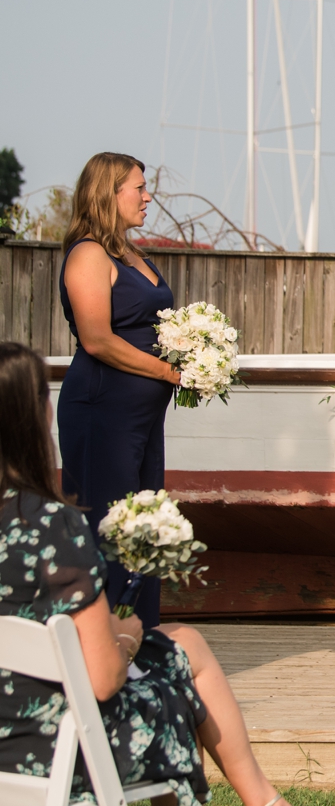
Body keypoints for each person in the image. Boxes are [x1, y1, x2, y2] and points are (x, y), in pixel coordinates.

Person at [0, 342, 284, 806]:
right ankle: (263, 800)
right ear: (28, 417)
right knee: (173, 683)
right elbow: (102, 680)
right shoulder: (50, 525)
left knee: (181, 643)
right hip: (54, 745)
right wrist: (126, 638)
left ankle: (266, 800)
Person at [56, 152, 180, 628]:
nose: (148, 196)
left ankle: (139, 639)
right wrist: (169, 373)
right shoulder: (89, 254)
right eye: (139, 187)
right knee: (108, 525)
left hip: (143, 417)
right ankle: (100, 649)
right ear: (108, 192)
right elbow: (97, 339)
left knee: (145, 524)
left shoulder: (133, 253)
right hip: (102, 411)